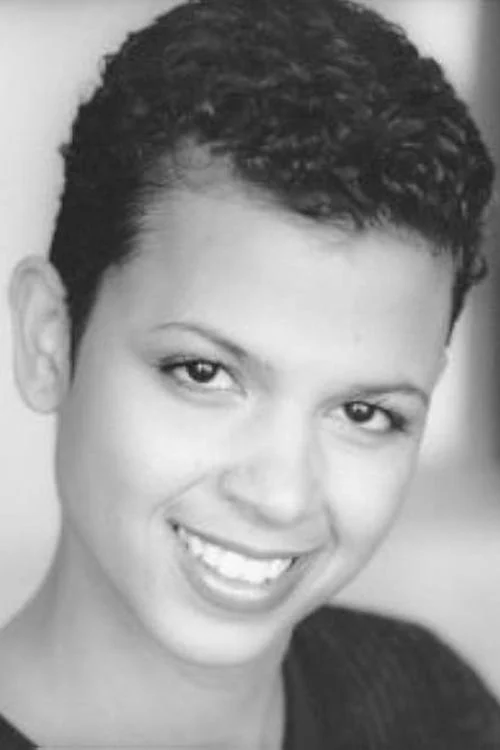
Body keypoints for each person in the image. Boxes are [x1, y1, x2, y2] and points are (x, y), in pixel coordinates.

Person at [1, 0, 498, 747]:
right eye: (204, 372)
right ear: (49, 340)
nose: (281, 495)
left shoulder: (432, 710)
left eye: (364, 413)